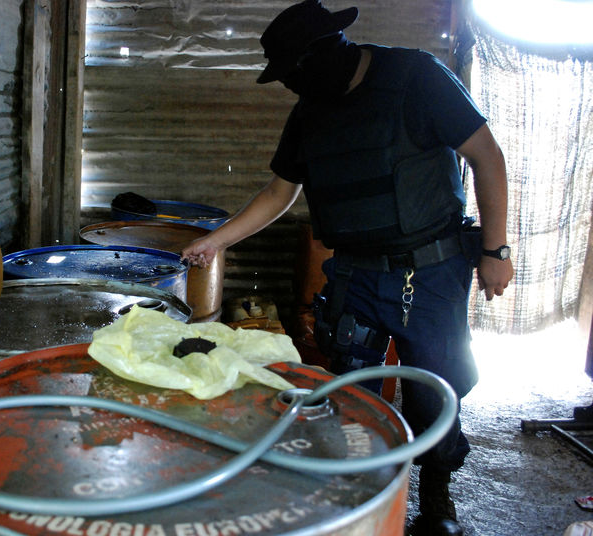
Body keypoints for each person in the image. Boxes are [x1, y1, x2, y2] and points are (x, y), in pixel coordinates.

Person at [181, 1, 514, 535]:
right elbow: (279, 191)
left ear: (324, 53)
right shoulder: (311, 109)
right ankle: (355, 492)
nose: (292, 87)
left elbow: (486, 155)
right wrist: (215, 242)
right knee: (348, 390)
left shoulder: (415, 78)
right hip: (355, 275)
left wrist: (496, 251)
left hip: (428, 271)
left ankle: (434, 489)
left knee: (433, 390)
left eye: (293, 74)